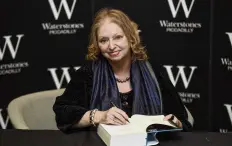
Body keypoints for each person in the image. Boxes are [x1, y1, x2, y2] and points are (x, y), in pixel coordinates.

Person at [53, 8, 194, 133]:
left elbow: (182, 119)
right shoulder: (88, 73)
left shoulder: (154, 72)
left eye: (118, 37)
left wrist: (175, 123)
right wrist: (99, 116)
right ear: (97, 44)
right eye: (103, 40)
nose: (111, 46)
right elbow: (62, 113)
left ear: (130, 37)